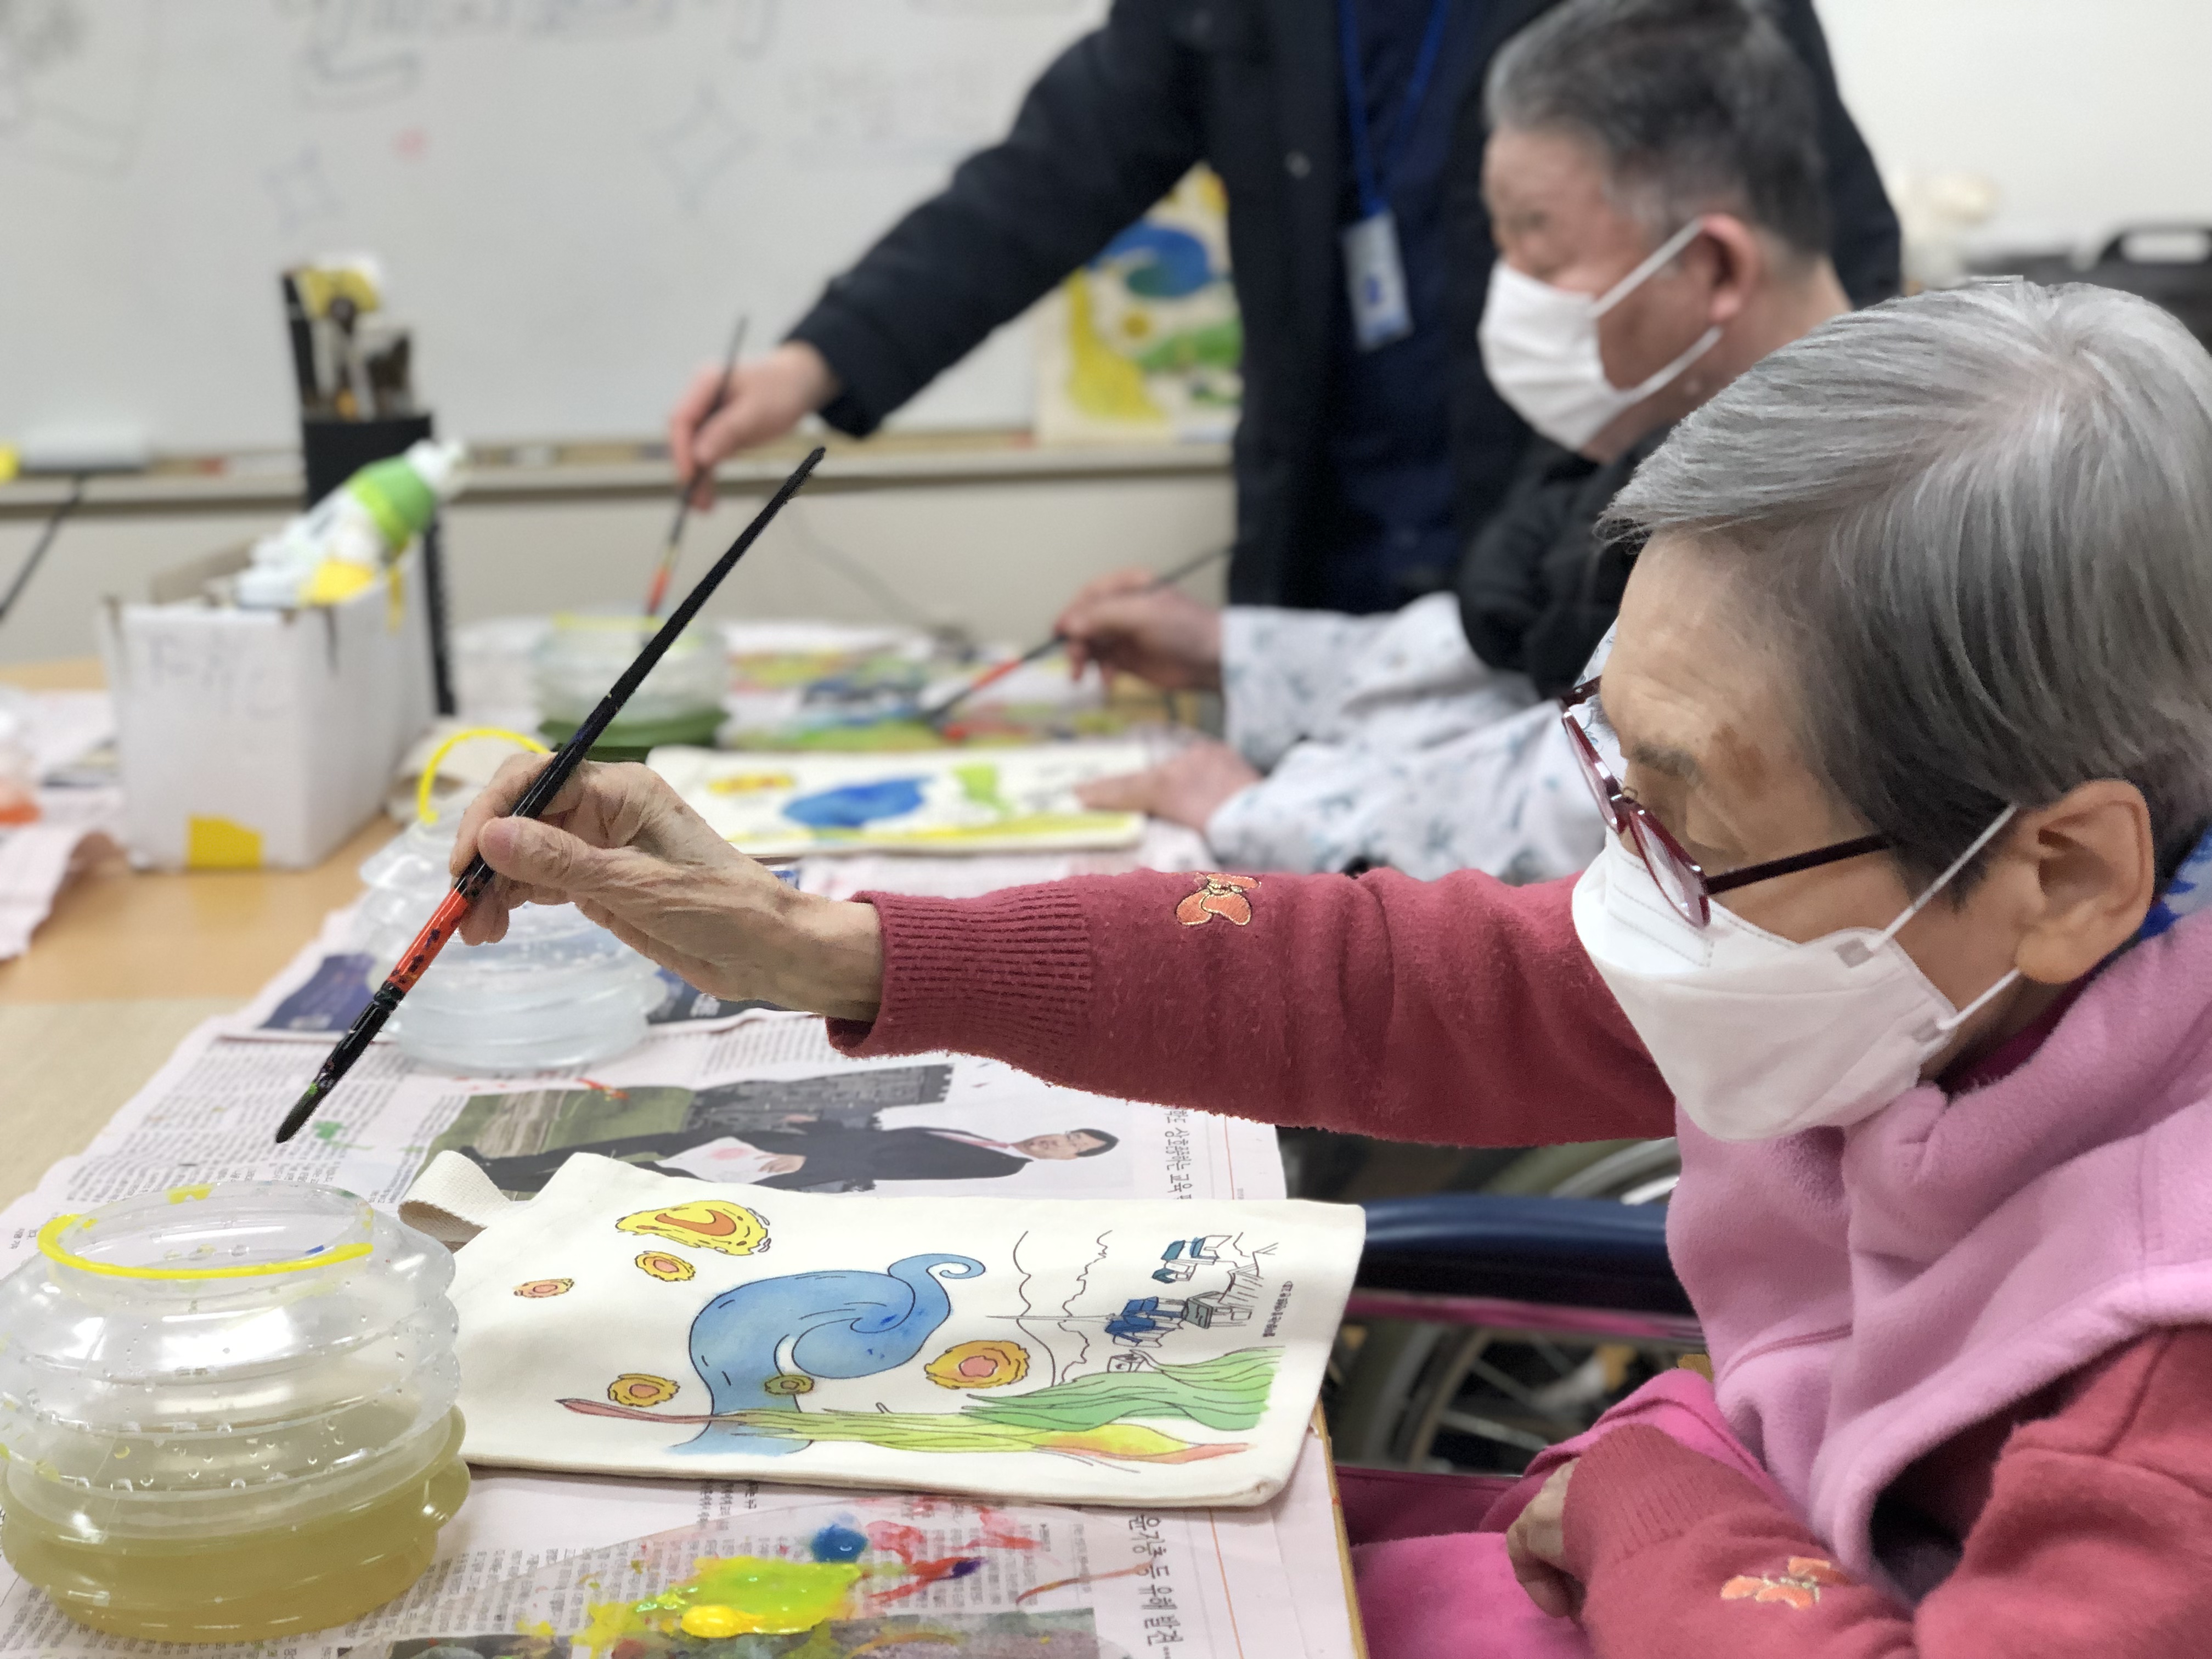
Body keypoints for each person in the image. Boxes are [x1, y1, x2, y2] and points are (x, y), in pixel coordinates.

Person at [458, 279, 2212, 1652]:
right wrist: (835, 948)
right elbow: (1377, 984)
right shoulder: (1923, 958)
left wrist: (1662, 1499)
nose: (1628, 879)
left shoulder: (2168, 1384)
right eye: (1616, 775)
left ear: (2061, 872)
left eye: (1688, 819)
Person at [667, 0, 1896, 614]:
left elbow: (1818, 257)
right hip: (1324, 539)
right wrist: (819, 361)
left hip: (1585, 543)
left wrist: (1760, 553)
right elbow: (1053, 170)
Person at [1061, 0, 1850, 881]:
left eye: (1544, 261)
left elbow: (1588, 801)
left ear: (1714, 268)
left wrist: (1255, 810)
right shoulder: (1685, 445)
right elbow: (1495, 672)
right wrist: (1230, 652)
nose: (1509, 300)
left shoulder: (1820, 524)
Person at [464, 1124, 1117, 1193]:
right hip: (807, 1144)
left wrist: (810, 1159)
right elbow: (888, 1140)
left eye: (1071, 1150)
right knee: (661, 1139)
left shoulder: (1000, 1166)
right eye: (1066, 1135)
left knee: (652, 1175)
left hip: (802, 1163)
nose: (1056, 1144)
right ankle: (504, 1169)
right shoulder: (991, 1141)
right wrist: (822, 1127)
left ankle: (502, 1183)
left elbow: (889, 1165)